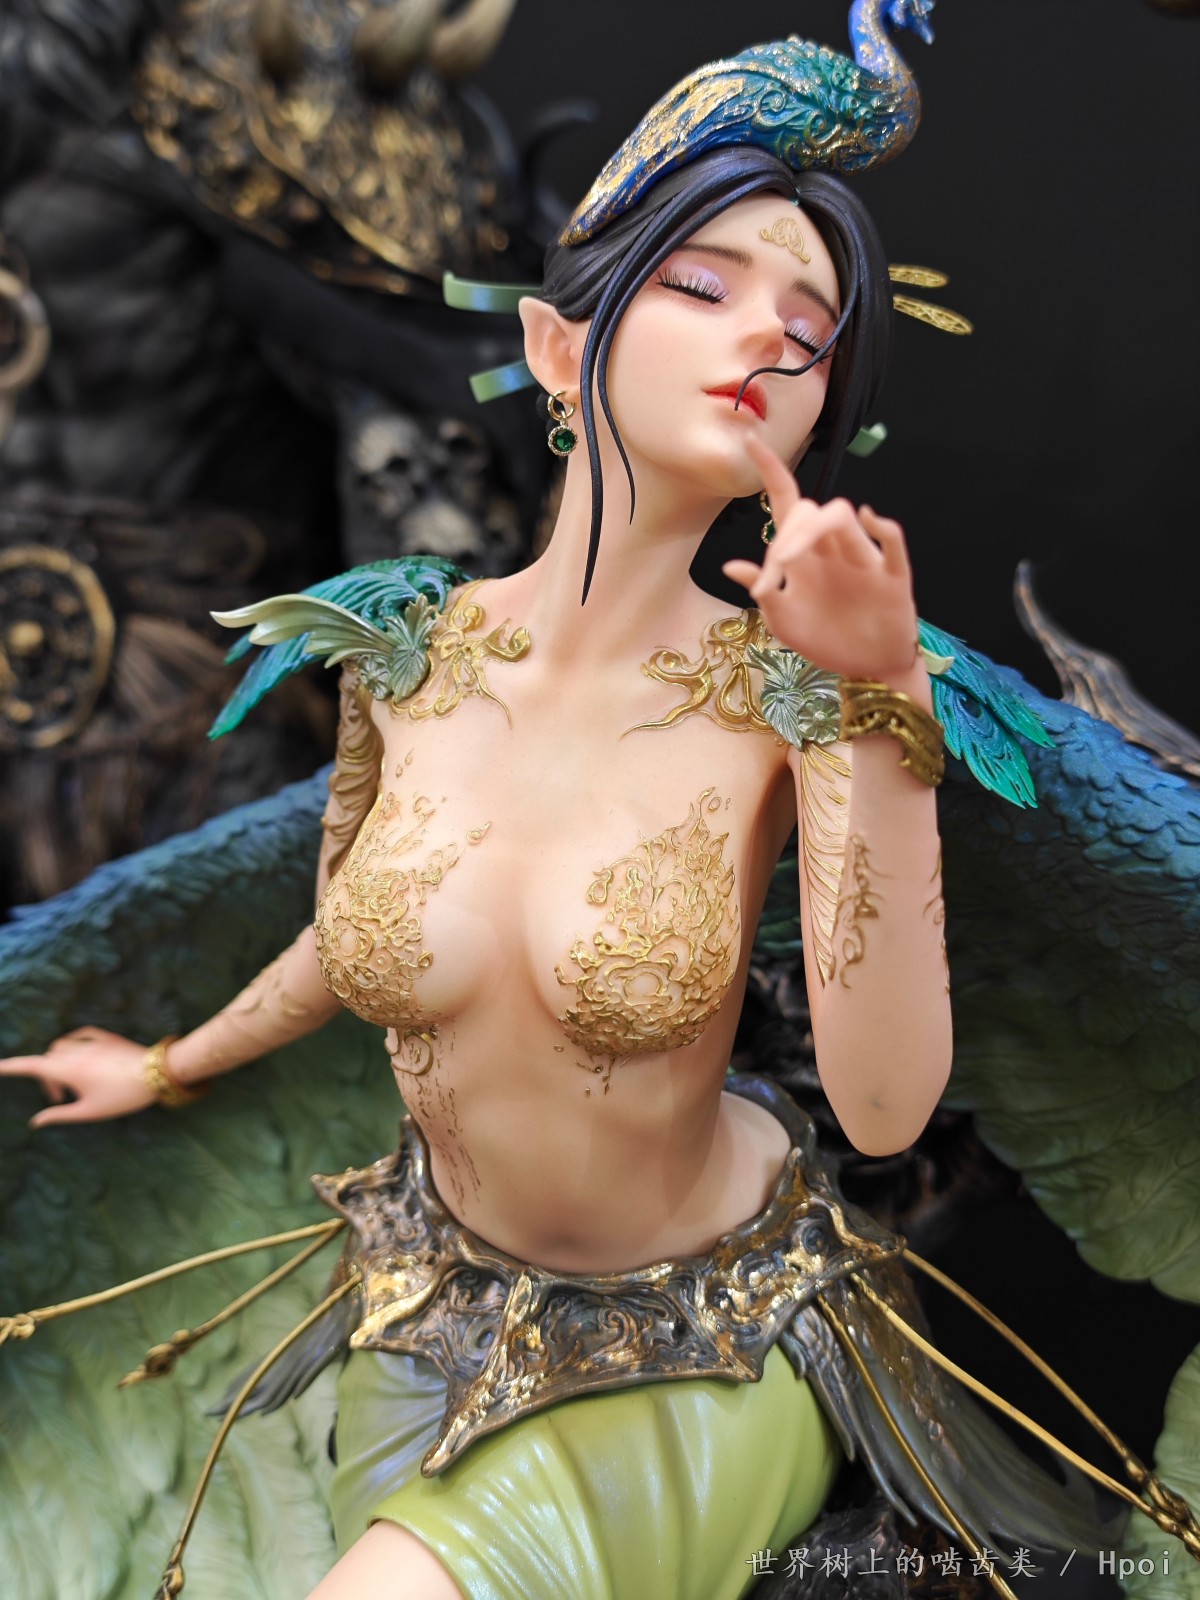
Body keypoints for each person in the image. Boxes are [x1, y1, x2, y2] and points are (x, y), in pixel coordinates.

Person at [4, 16, 1193, 1600]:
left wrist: (879, 710)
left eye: (812, 329)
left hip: (704, 1353)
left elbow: (886, 1107)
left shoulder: (791, 700)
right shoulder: (406, 651)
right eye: (701, 285)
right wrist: (167, 1064)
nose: (766, 336)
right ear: (561, 350)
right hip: (417, 1333)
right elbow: (345, 929)